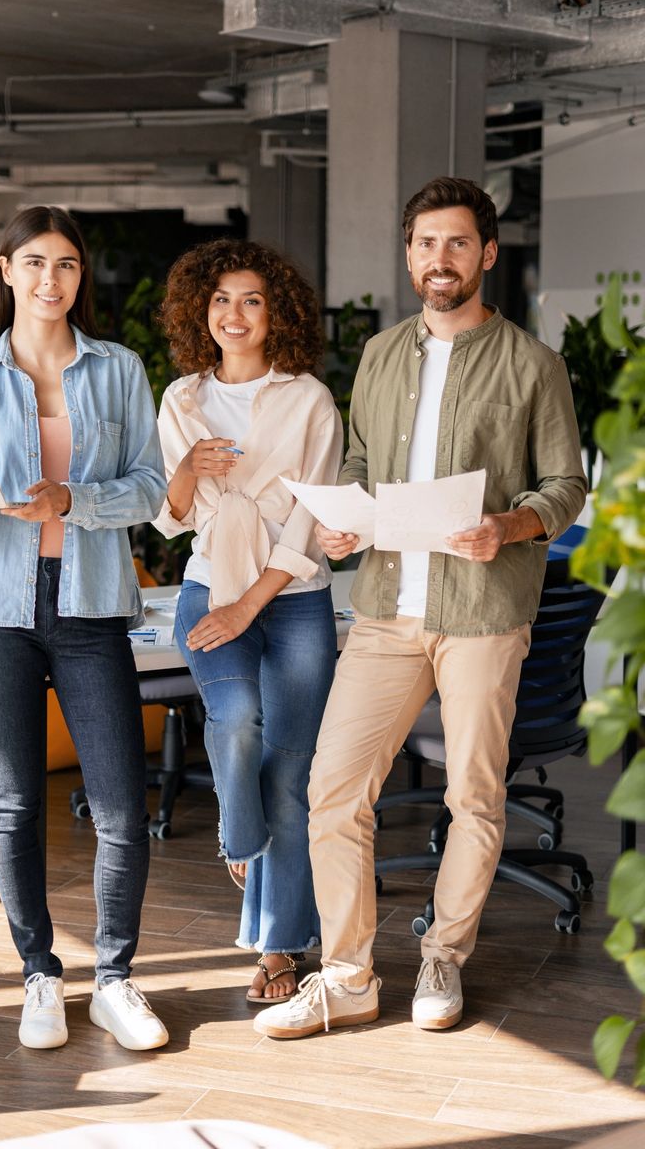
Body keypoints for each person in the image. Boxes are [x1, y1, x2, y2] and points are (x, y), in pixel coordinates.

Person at [254, 176, 587, 1040]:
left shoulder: (532, 363)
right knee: (334, 787)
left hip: (482, 610)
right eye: (425, 244)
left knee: (473, 795)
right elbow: (364, 469)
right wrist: (344, 527)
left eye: (456, 244)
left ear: (487, 255)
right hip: (383, 610)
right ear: (410, 254)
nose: (439, 260)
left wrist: (510, 524)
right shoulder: (378, 355)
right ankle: (348, 974)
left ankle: (444, 952)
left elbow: (565, 486)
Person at [0, 205, 170, 1053]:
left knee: (122, 804)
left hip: (92, 608)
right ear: (7, 271)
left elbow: (152, 492)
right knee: (12, 804)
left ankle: (116, 980)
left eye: (68, 266)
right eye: (37, 264)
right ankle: (40, 976)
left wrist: (72, 501)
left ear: (79, 278)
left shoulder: (119, 368)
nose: (53, 281)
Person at [154, 239, 342, 1003]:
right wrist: (186, 470)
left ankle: (280, 951)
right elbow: (168, 522)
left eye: (253, 300)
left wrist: (248, 606)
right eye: (222, 299)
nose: (235, 314)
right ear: (203, 309)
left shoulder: (311, 401)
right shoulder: (180, 400)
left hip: (291, 599)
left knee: (290, 777)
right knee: (234, 724)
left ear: (278, 314)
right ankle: (239, 835)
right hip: (208, 583)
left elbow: (306, 523)